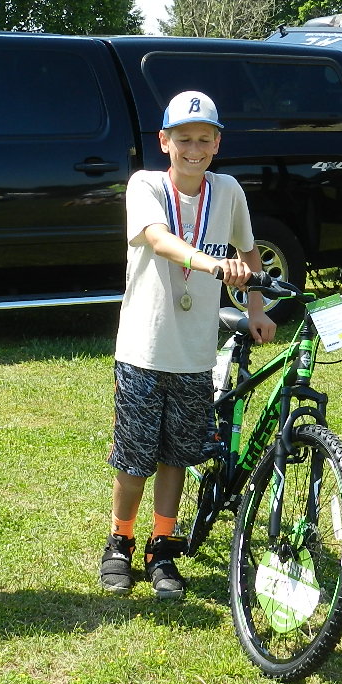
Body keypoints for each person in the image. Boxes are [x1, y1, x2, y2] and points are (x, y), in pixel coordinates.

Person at [100, 90, 276, 599]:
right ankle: (120, 541)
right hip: (144, 347)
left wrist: (257, 309)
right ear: (165, 141)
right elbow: (159, 239)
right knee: (134, 456)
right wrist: (212, 264)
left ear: (217, 143)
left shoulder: (229, 191)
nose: (193, 149)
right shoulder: (146, 184)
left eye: (203, 139)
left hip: (196, 352)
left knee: (177, 455)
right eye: (183, 139)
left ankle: (162, 546)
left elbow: (249, 252)